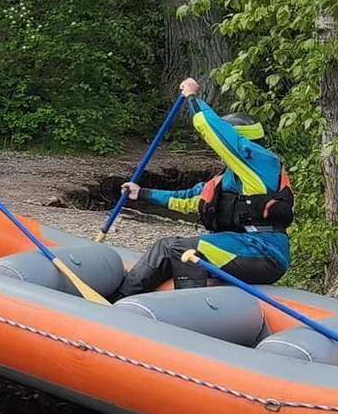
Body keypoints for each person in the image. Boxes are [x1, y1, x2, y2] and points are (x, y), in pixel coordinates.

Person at [117, 78, 294, 296]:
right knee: (166, 246)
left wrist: (191, 97)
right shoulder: (227, 179)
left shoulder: (262, 162)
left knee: (184, 250)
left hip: (264, 253)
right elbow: (190, 199)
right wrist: (142, 193)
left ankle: (188, 308)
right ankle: (121, 298)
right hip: (239, 246)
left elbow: (213, 130)